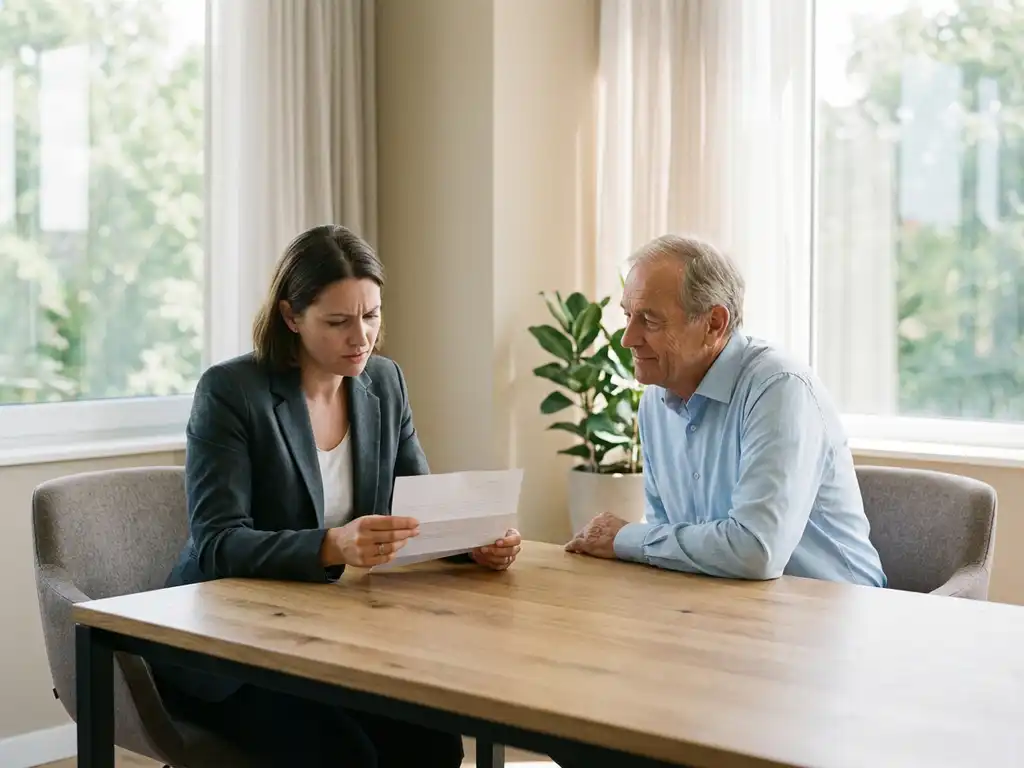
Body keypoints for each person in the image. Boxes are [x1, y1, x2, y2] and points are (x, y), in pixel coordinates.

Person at [153, 224, 523, 768]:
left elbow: (416, 508)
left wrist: (474, 543)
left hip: (328, 635)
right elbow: (217, 543)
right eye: (338, 322)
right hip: (228, 647)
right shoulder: (231, 391)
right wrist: (332, 545)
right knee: (345, 755)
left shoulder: (384, 383)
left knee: (433, 745)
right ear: (290, 316)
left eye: (371, 315)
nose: (362, 337)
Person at [565, 234, 886, 588]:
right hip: (727, 603)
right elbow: (665, 543)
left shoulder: (779, 388)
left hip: (837, 607)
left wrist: (624, 537)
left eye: (650, 321)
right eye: (628, 316)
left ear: (714, 323)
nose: (628, 338)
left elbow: (755, 551)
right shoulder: (655, 402)